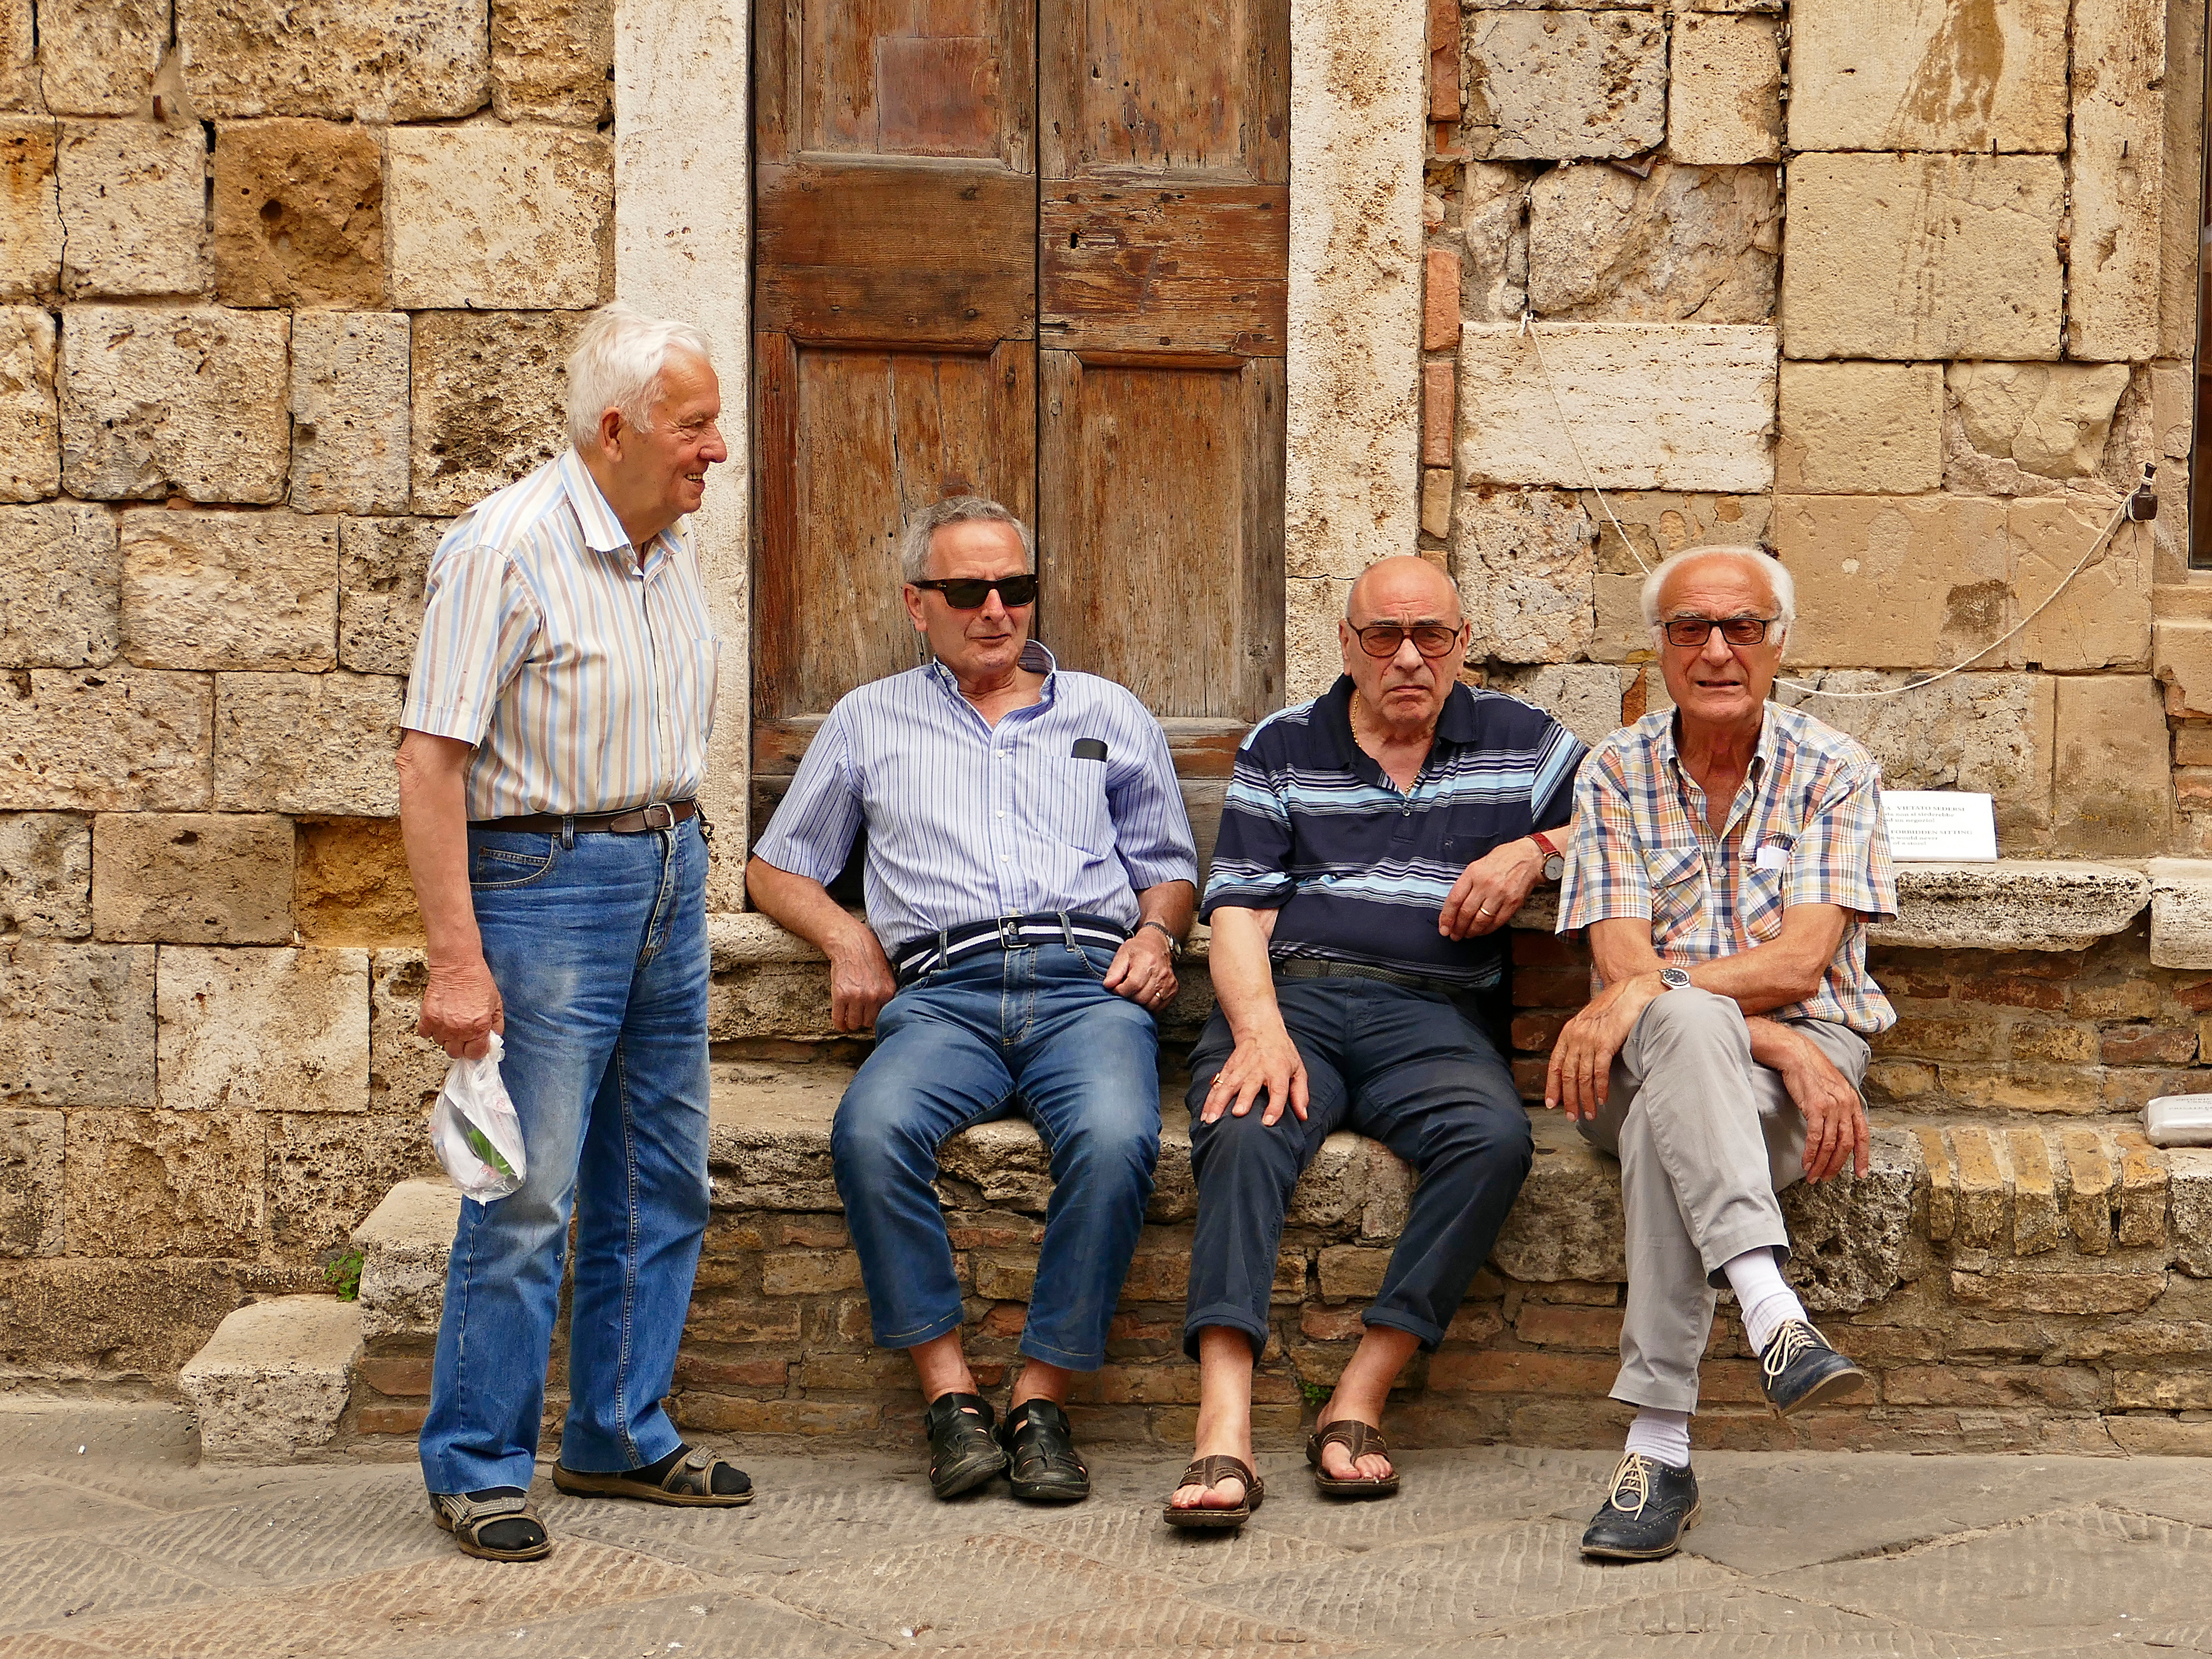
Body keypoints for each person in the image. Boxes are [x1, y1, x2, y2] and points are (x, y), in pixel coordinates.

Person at [746, 496, 1198, 1505]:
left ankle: (1039, 1403)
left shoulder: (1107, 713)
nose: (995, 609)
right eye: (966, 590)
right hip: (942, 994)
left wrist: (1157, 934)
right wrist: (847, 937)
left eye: (1013, 587)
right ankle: (951, 1398)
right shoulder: (868, 720)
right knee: (871, 1131)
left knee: (1118, 1138)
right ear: (918, 604)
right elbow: (774, 868)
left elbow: (1167, 866)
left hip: (1085, 986)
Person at [397, 303, 751, 1563]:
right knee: (530, 1188)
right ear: (615, 429)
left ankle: (616, 1429)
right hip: (545, 881)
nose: (717, 449)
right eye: (694, 426)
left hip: (666, 867)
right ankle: (478, 1461)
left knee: (662, 1173)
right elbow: (429, 762)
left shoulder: (666, 545)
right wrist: (456, 959)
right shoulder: (503, 548)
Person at [1164, 555, 1587, 1530]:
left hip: (1433, 1014)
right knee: (1241, 1125)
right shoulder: (1284, 743)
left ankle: (1359, 1393)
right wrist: (1258, 1030)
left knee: (1492, 1140)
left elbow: (1634, 820)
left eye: (1429, 635)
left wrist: (1533, 848)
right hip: (1295, 996)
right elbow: (1235, 910)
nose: (1407, 657)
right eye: (1383, 636)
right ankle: (1222, 1421)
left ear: (1461, 643)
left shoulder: (1524, 741)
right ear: (1346, 644)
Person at [1548, 544, 1897, 1563]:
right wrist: (1766, 1034)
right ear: (1658, 647)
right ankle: (1772, 1309)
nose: (1715, 650)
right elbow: (1623, 971)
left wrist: (1732, 1015)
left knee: (1666, 1127)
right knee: (1681, 1028)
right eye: (1689, 628)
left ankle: (1657, 1450)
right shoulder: (1613, 771)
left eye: (1740, 626)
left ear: (1777, 643)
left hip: (1788, 1056)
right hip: (1647, 1058)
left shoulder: (1833, 768)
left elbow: (1797, 960)